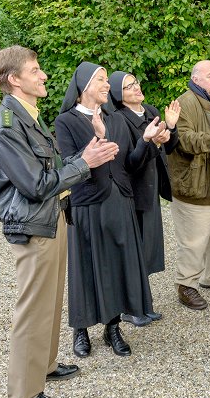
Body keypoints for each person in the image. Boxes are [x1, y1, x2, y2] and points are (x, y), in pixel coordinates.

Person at [0, 46, 118, 398]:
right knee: (33, 310)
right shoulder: (6, 126)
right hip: (31, 224)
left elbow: (52, 170)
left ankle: (45, 365)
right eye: (36, 70)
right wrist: (84, 164)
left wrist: (85, 156)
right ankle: (23, 396)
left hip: (49, 217)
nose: (43, 75)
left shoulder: (29, 116)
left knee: (51, 303)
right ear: (14, 79)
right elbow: (36, 184)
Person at [55, 62, 165, 358]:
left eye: (106, 80)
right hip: (88, 204)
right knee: (86, 267)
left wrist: (145, 141)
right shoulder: (66, 120)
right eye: (101, 80)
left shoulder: (115, 119)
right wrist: (94, 146)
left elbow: (130, 164)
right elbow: (68, 164)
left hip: (121, 200)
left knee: (117, 264)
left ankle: (113, 327)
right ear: (84, 86)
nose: (107, 86)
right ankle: (81, 330)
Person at [108, 71, 180, 326]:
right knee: (133, 252)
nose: (137, 88)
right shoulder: (118, 120)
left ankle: (143, 304)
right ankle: (131, 308)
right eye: (129, 86)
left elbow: (170, 146)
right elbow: (129, 161)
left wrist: (171, 127)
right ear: (119, 94)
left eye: (136, 83)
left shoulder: (149, 111)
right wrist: (152, 142)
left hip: (151, 189)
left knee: (147, 250)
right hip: (133, 191)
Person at [167, 60, 210, 310]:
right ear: (196, 79)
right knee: (194, 240)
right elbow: (180, 139)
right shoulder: (185, 102)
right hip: (196, 185)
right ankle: (186, 285)